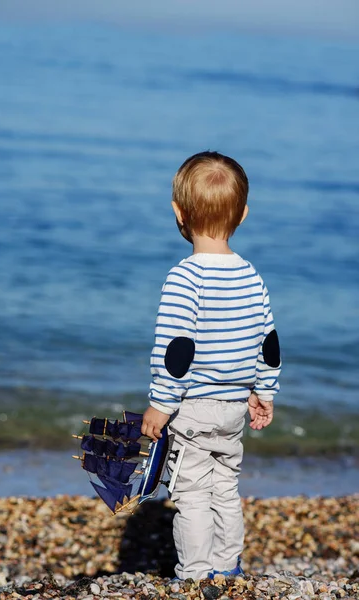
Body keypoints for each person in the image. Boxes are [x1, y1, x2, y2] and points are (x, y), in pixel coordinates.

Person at [141, 151, 281, 581]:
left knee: (191, 494)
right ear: (243, 214)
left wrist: (160, 405)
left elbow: (177, 351)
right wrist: (264, 391)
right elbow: (268, 342)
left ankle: (196, 573)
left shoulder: (185, 277)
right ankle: (227, 565)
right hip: (234, 408)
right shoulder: (251, 275)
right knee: (225, 487)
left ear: (178, 213)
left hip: (195, 409)